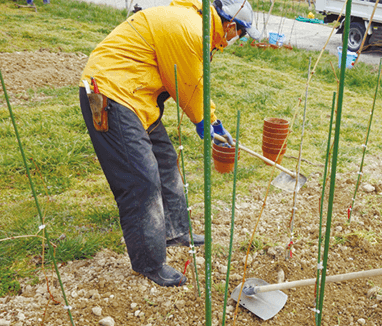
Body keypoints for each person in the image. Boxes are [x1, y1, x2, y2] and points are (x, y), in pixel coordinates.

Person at [79, 0, 261, 287]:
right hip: (112, 93)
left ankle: (175, 230)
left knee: (165, 161)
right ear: (229, 25)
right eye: (241, 32)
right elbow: (190, 84)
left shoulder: (195, 24)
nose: (238, 39)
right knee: (141, 180)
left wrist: (212, 123)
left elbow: (187, 79)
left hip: (137, 96)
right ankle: (149, 263)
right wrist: (207, 122)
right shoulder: (190, 29)